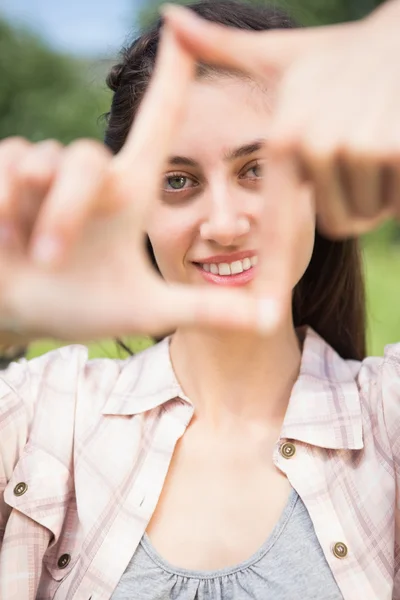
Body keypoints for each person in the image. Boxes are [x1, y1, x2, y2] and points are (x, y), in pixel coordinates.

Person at [0, 1, 399, 599]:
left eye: (256, 168)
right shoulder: (41, 418)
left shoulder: (388, 416)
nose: (223, 224)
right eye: (178, 181)